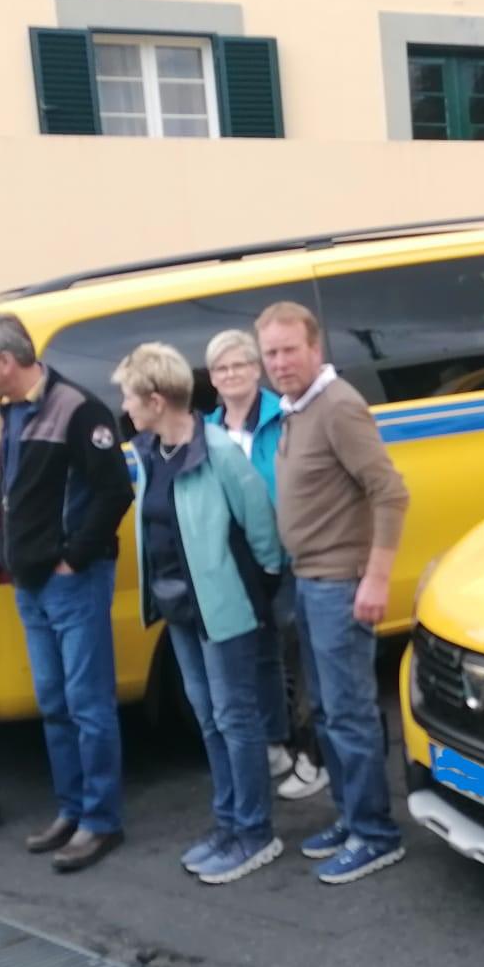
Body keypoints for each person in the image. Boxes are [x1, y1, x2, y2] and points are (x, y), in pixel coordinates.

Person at [0, 312, 131, 873]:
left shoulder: (79, 409)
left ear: (6, 361)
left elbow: (112, 493)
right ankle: (71, 809)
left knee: (88, 705)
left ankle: (100, 820)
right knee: (53, 704)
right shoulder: (13, 411)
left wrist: (72, 558)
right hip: (30, 582)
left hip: (69, 582)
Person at [119, 343, 287, 885]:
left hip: (224, 607)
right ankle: (228, 822)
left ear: (156, 398)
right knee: (209, 718)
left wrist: (251, 591)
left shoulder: (217, 452)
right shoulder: (150, 450)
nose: (124, 405)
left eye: (128, 395)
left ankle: (256, 832)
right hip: (180, 609)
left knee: (236, 719)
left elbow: (263, 533)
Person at [257, 301, 409, 885]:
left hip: (340, 584)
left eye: (289, 349)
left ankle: (376, 833)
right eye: (270, 352)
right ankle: (349, 817)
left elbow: (390, 494)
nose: (279, 363)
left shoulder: (339, 406)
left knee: (349, 714)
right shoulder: (297, 409)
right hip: (309, 580)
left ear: (315, 348)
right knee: (324, 712)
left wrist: (375, 577)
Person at [205, 328, 322, 801]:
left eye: (241, 365)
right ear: (211, 378)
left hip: (291, 553)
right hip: (239, 561)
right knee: (259, 654)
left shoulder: (286, 415)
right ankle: (276, 742)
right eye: (222, 368)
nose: (232, 375)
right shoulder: (208, 429)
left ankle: (313, 753)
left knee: (301, 647)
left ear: (258, 370)